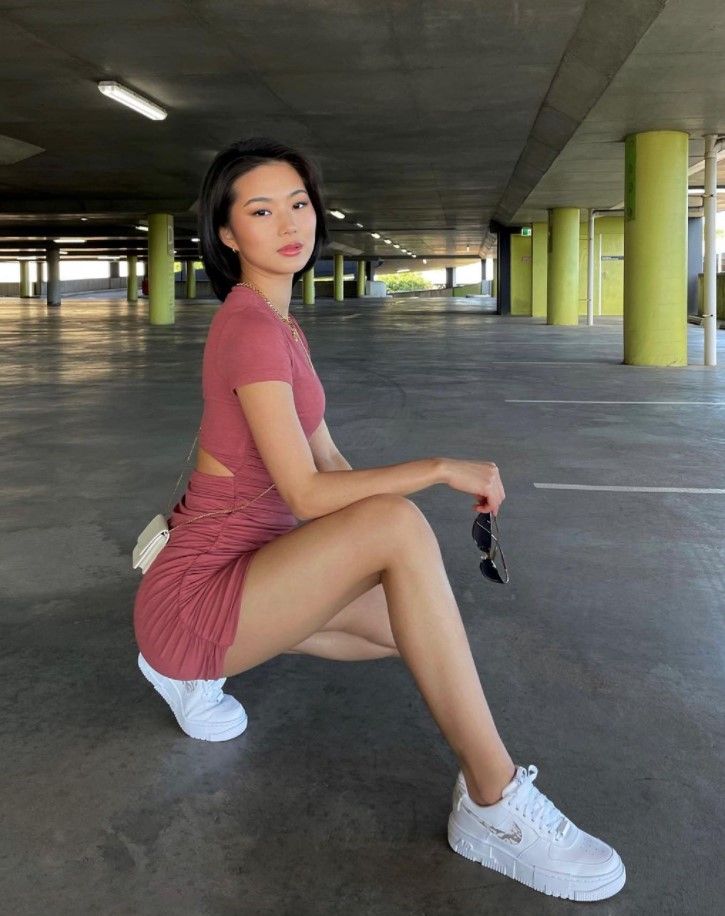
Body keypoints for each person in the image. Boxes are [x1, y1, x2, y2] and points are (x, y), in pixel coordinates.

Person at [132, 137, 626, 902]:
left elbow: (329, 463)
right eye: (260, 211)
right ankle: (493, 802)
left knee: (421, 634)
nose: (288, 223)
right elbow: (306, 495)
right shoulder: (249, 329)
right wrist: (437, 469)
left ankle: (213, 664)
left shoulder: (280, 324)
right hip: (195, 596)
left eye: (298, 202)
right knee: (396, 526)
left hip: (247, 568)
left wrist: (385, 547)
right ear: (226, 234)